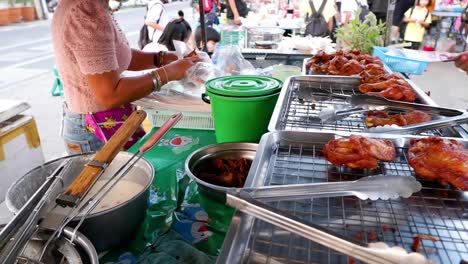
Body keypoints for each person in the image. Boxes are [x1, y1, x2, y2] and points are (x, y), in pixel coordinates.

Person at [52, 0, 202, 154]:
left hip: (105, 119)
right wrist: (166, 73)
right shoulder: (85, 10)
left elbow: (112, 56)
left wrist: (162, 58)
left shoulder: (93, 6)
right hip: (95, 128)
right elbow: (110, 95)